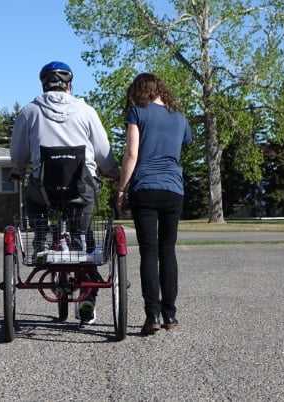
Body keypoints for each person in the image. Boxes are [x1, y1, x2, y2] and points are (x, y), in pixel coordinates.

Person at [10, 61, 119, 326]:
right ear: (70, 84)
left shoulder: (29, 112)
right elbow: (103, 153)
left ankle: (42, 242)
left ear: (43, 84)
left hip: (44, 189)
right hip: (82, 187)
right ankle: (87, 292)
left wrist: (18, 168)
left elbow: (18, 155)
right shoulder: (86, 110)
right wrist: (112, 172)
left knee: (34, 199)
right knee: (84, 235)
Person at [116, 73, 192, 335]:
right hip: (173, 190)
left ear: (138, 90)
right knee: (167, 251)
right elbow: (185, 143)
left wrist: (121, 188)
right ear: (161, 89)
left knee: (148, 252)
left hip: (145, 189)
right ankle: (171, 315)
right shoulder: (180, 118)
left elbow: (132, 154)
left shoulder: (137, 112)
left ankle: (153, 317)